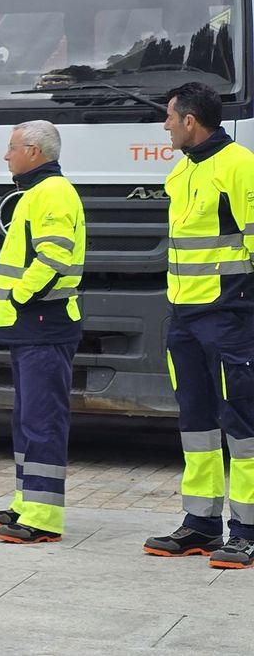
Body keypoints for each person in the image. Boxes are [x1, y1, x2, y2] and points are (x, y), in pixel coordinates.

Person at [147, 82, 254, 569]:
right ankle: (202, 524)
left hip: (229, 316)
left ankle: (247, 531)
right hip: (185, 317)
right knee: (197, 423)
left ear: (190, 121)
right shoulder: (182, 170)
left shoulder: (239, 165)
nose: (165, 126)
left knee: (243, 423)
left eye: (169, 118)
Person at [0, 121, 85, 545]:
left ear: (34, 151)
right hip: (32, 323)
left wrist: (20, 297)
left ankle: (42, 517)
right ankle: (27, 502)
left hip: (44, 321)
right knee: (28, 419)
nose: (6, 155)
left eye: (11, 147)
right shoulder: (37, 192)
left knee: (43, 420)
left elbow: (54, 258)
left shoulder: (52, 193)